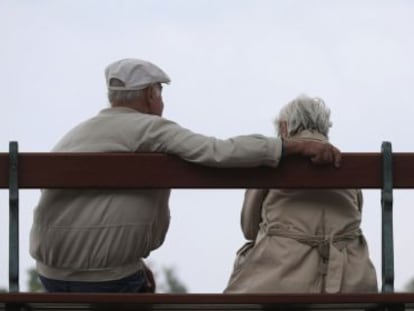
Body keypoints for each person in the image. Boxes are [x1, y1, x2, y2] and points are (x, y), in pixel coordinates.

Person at [30, 59, 342, 293]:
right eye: (160, 92)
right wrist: (289, 147)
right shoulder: (150, 128)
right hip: (110, 280)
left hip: (50, 276)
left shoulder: (73, 136)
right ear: (152, 94)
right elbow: (218, 152)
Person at [224, 95, 377, 294]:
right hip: (349, 282)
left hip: (280, 279)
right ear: (325, 128)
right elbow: (356, 216)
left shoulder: (271, 164)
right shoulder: (347, 167)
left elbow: (249, 228)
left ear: (284, 128)